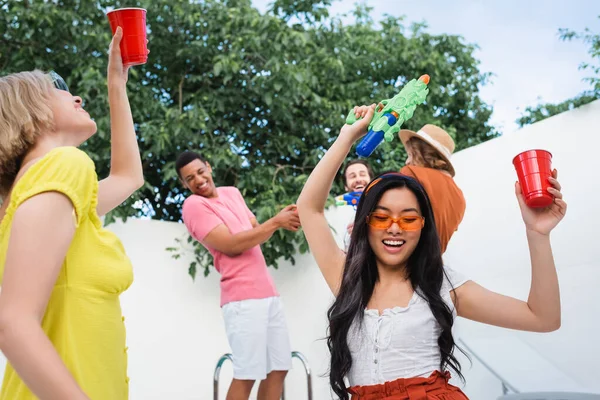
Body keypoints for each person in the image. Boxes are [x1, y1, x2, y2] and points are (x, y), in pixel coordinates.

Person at [297, 104, 566, 400]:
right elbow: (309, 209)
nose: (395, 227)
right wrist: (346, 137)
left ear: (423, 227)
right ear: (366, 223)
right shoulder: (347, 278)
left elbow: (543, 318)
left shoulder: (442, 284)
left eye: (409, 219)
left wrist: (537, 234)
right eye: (382, 217)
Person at [0, 27, 143, 400]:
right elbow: (12, 323)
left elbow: (128, 177)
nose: (77, 96)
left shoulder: (37, 194)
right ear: (31, 113)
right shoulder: (64, 165)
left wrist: (117, 84)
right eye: (60, 90)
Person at [176, 150, 300, 400]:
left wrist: (284, 219)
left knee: (279, 368)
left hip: (268, 293)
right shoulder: (193, 205)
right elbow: (231, 244)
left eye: (200, 172)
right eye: (190, 178)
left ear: (209, 167)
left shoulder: (232, 193)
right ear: (184, 183)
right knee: (247, 374)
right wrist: (275, 222)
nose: (198, 180)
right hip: (242, 299)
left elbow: (255, 232)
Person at [398, 124, 466, 253]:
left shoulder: (411, 173)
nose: (407, 161)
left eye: (410, 154)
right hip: (433, 266)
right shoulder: (460, 196)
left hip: (405, 258)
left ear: (422, 152)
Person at [340, 159, 374, 250]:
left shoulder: (385, 204)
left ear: (371, 180)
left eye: (362, 174)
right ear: (346, 186)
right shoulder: (335, 211)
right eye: (352, 176)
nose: (358, 179)